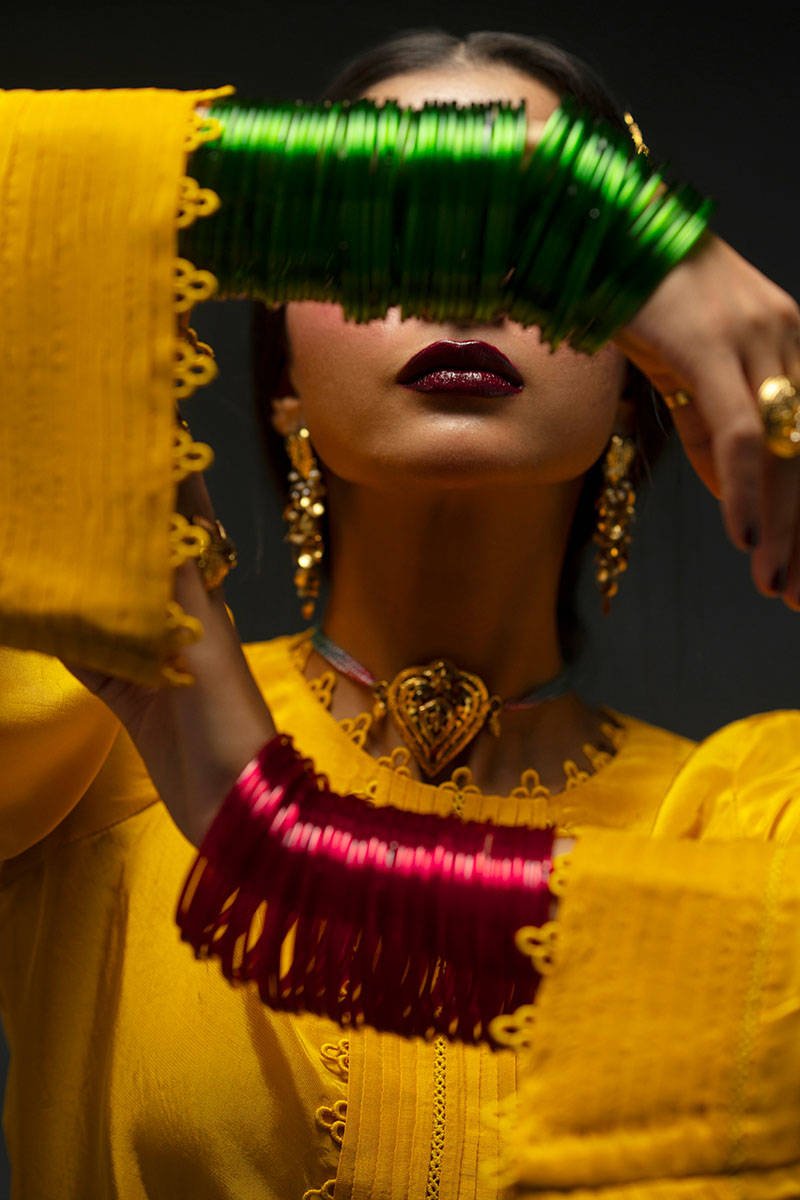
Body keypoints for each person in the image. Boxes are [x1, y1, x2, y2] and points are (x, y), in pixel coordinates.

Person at [2, 26, 800, 1200]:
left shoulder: (746, 823)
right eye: (379, 228)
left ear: (645, 386)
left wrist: (275, 839)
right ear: (279, 380)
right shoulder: (80, 734)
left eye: (545, 250)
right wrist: (588, 210)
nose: (455, 282)